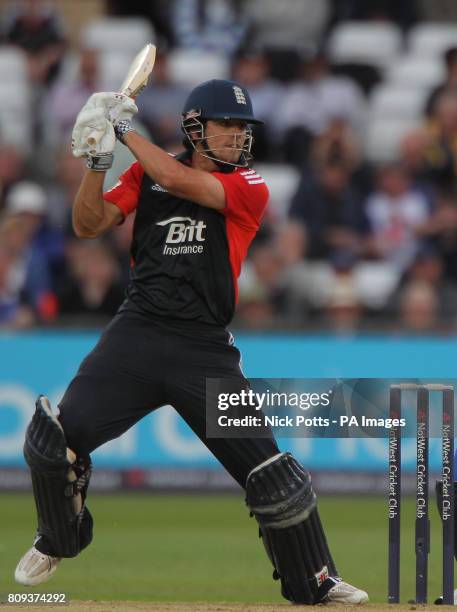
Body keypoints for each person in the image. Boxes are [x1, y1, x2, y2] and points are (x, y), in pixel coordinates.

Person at [14, 78, 368, 606]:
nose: (238, 136)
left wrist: (123, 130)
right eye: (227, 125)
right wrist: (95, 159)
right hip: (134, 336)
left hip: (202, 347)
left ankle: (316, 579)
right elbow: (88, 224)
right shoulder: (142, 173)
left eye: (243, 127)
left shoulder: (249, 184)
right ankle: (57, 539)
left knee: (274, 477)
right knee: (52, 444)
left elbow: (179, 180)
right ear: (195, 128)